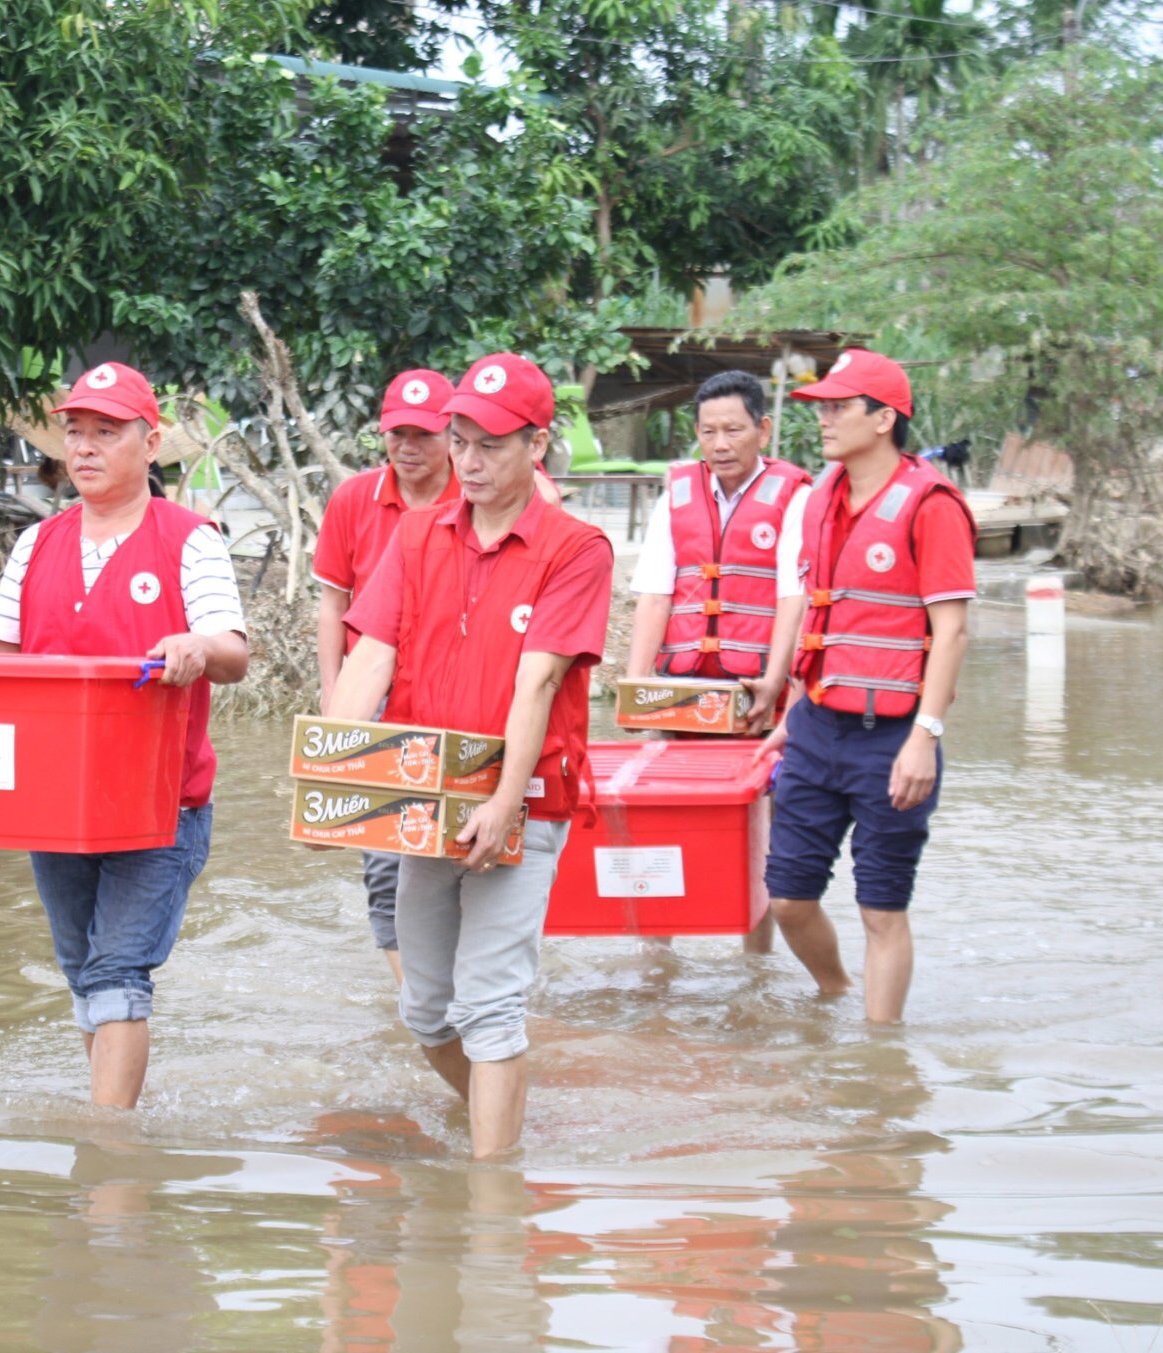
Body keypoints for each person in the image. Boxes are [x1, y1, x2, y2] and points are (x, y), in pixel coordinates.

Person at [0, 362, 250, 1106]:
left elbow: (233, 651)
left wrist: (194, 647)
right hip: (57, 805)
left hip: (159, 805)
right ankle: (112, 1133)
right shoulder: (38, 543)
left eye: (105, 433)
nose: (84, 447)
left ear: (149, 446)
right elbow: (1, 660)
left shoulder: (190, 540)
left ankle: (107, 1162)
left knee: (116, 970)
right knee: (82, 967)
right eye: (75, 432)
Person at [329, 353, 614, 1159]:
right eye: (461, 442)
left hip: (524, 803)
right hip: (424, 798)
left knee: (489, 1005)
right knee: (425, 1010)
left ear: (537, 444)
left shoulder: (574, 547)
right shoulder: (418, 533)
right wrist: (328, 776)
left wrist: (503, 801)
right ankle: (506, 1117)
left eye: (490, 443)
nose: (471, 461)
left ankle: (492, 1203)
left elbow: (537, 684)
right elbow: (369, 657)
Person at [760, 349, 975, 1024]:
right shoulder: (821, 497)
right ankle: (835, 993)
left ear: (883, 419)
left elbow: (951, 633)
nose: (822, 420)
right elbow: (817, 614)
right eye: (819, 407)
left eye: (836, 407)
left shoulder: (931, 505)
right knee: (787, 897)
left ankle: (882, 1059)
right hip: (817, 726)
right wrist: (791, 711)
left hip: (892, 737)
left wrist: (924, 737)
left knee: (881, 907)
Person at [624, 369, 813, 953]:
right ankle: (658, 959)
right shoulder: (676, 493)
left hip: (758, 691)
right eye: (708, 432)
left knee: (760, 832)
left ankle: (755, 963)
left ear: (763, 429)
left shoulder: (795, 496)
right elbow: (656, 591)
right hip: (683, 694)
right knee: (662, 825)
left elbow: (794, 596)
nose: (721, 444)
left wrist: (777, 680)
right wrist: (636, 685)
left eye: (733, 430)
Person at [313, 369, 460, 985]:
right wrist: (330, 701)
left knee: (458, 844)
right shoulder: (355, 499)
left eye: (423, 434)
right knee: (383, 858)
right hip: (372, 700)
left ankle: (457, 986)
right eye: (397, 432)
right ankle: (415, 1004)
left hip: (454, 700)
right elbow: (332, 604)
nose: (409, 446)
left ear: (452, 434)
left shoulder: (475, 497)